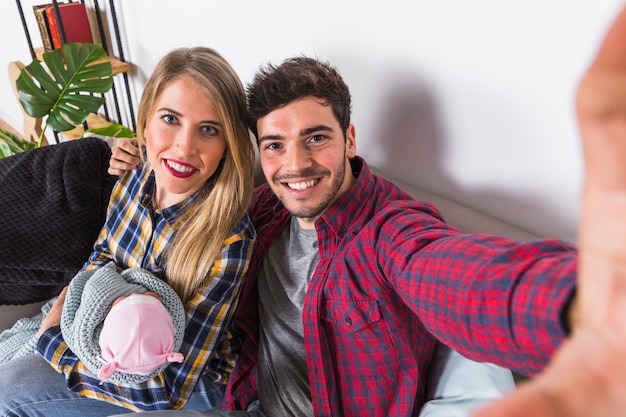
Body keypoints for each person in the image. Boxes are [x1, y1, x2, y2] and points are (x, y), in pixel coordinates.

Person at [104, 5, 626, 416]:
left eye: (315, 138)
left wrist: (579, 306)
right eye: (275, 145)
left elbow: (456, 276)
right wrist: (134, 154)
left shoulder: (389, 231)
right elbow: (190, 169)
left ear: (349, 139)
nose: (296, 164)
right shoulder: (263, 210)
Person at [0, 46, 256, 416]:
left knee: (8, 392)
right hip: (108, 332)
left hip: (189, 379)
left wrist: (54, 340)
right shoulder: (134, 176)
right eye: (170, 119)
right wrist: (67, 308)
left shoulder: (230, 241)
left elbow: (171, 387)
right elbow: (103, 255)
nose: (184, 147)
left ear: (226, 145)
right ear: (146, 121)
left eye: (208, 129)